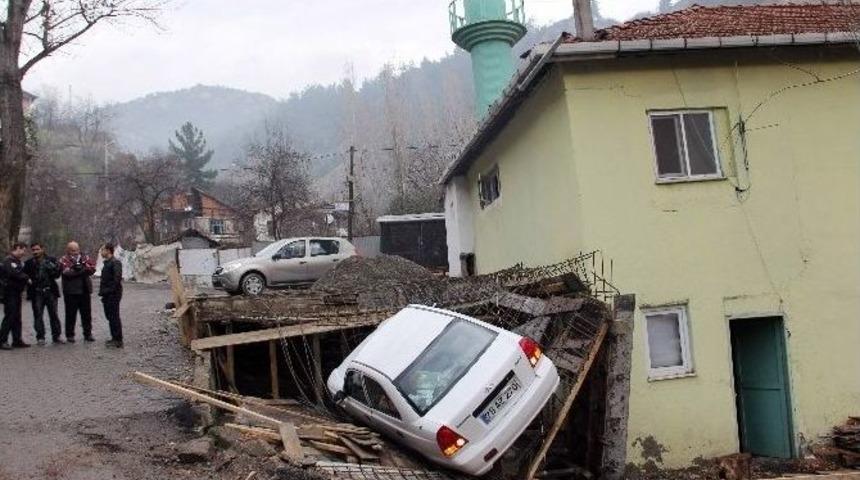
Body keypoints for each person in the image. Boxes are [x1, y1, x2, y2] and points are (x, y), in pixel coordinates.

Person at [24, 243, 63, 345]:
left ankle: (56, 336)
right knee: (38, 315)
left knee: (54, 314)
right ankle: (40, 337)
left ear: (42, 249)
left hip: (50, 291)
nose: (35, 252)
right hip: (36, 292)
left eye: (37, 249)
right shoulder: (29, 263)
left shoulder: (51, 260)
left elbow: (57, 274)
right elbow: (24, 276)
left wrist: (51, 267)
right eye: (33, 250)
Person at [59, 242, 97, 343]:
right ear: (68, 250)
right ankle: (70, 335)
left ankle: (88, 334)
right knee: (70, 314)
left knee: (86, 314)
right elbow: (66, 272)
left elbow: (92, 268)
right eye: (72, 250)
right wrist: (82, 271)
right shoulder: (64, 259)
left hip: (84, 290)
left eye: (76, 250)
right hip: (71, 291)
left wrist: (77, 270)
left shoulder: (85, 257)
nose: (75, 252)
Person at [0, 243, 32, 350]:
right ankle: (2, 340)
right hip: (9, 292)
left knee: (17, 317)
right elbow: (13, 273)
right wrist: (26, 277)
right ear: (17, 249)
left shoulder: (18, 262)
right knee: (10, 316)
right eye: (23, 250)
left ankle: (16, 339)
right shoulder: (8, 261)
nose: (24, 253)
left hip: (17, 292)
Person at [98, 243, 124, 348]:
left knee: (114, 316)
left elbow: (117, 279)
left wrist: (109, 291)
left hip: (112, 294)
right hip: (107, 294)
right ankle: (114, 337)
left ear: (108, 250)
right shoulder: (107, 263)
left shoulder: (115, 263)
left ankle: (118, 339)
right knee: (110, 316)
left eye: (102, 250)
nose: (101, 252)